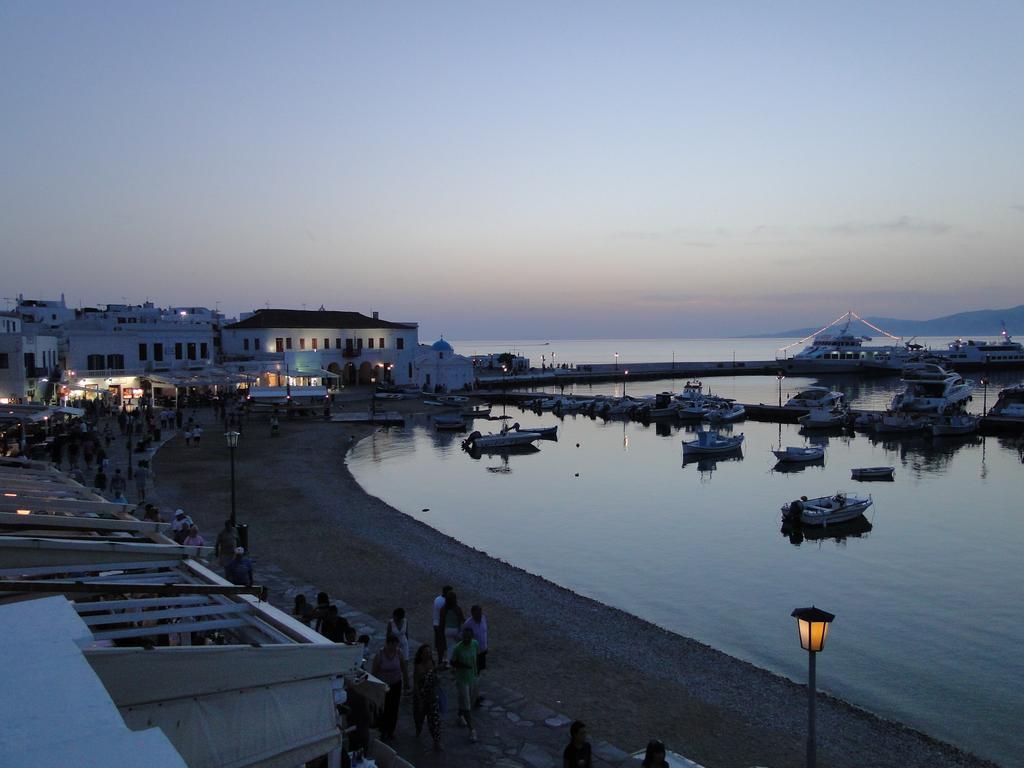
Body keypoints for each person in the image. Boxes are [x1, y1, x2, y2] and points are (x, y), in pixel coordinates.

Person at [371, 634, 409, 743]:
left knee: (394, 707)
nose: (393, 647)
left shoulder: (399, 653)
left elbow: (403, 668)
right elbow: (374, 671)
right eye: (391, 644)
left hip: (396, 684)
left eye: (395, 645)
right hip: (384, 685)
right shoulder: (380, 655)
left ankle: (391, 730)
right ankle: (383, 730)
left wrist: (406, 681)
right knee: (385, 708)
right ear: (387, 643)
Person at [450, 626, 479, 742]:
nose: (466, 639)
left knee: (468, 701)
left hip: (472, 677)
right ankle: (472, 730)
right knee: (467, 705)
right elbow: (453, 662)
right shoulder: (458, 648)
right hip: (462, 680)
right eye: (464, 636)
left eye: (468, 636)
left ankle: (459, 716)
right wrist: (463, 666)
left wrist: (476, 673)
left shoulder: (475, 644)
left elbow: (475, 658)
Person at [412, 644, 443, 751]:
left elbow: (435, 678)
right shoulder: (418, 666)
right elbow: (416, 683)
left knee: (434, 720)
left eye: (429, 652)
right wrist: (418, 698)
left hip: (431, 696)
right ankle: (418, 728)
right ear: (421, 654)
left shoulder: (432, 663)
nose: (428, 654)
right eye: (425, 652)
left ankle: (437, 741)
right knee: (418, 717)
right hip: (421, 696)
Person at [463, 604, 488, 706]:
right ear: (472, 613)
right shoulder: (468, 624)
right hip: (474, 654)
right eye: (478, 613)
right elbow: (465, 639)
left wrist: (486, 646)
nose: (480, 615)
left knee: (478, 674)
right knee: (474, 676)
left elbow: (484, 633)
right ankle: (473, 697)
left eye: (480, 612)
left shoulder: (483, 619)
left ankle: (475, 695)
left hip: (482, 652)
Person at [440, 590, 465, 663]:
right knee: (457, 646)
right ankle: (455, 661)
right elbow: (461, 619)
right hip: (455, 629)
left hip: (447, 630)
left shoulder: (443, 609)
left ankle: (449, 661)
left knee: (449, 646)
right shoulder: (457, 608)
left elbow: (442, 621)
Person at [432, 585, 452, 666]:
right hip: (442, 625)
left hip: (436, 624)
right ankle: (442, 660)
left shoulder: (437, 599)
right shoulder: (445, 602)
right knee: (443, 644)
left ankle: (441, 660)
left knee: (440, 644)